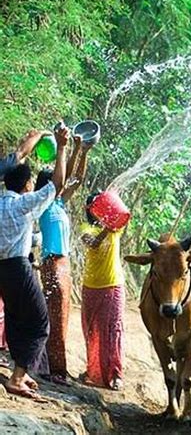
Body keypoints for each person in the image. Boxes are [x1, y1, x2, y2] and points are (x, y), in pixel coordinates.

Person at [0, 125, 69, 400]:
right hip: (18, 267)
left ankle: (20, 371)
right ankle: (17, 378)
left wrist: (26, 143)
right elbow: (57, 185)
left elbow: (16, 157)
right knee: (40, 322)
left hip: (2, 269)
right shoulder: (24, 204)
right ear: (28, 185)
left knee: (16, 317)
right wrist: (62, 147)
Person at [35, 136, 92, 384]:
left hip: (63, 263)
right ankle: (55, 370)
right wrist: (70, 148)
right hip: (52, 262)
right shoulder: (44, 202)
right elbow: (65, 177)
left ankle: (55, 366)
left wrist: (84, 150)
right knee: (55, 316)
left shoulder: (57, 203)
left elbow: (76, 179)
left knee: (62, 316)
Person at [80, 193, 125, 391]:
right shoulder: (86, 229)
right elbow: (93, 242)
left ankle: (115, 374)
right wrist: (107, 228)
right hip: (91, 285)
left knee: (113, 330)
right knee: (92, 330)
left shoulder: (115, 226)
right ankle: (94, 371)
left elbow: (122, 215)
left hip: (112, 284)